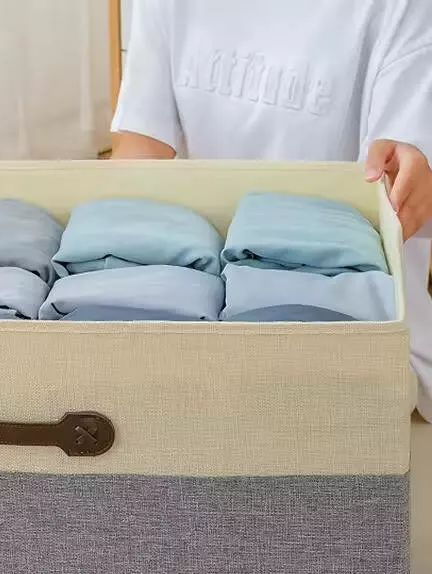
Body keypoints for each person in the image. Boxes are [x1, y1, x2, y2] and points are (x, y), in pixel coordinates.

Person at [112, 0, 432, 417]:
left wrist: (411, 178)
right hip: (205, 330)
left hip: (362, 340)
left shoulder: (404, 9)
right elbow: (139, 158)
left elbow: (405, 188)